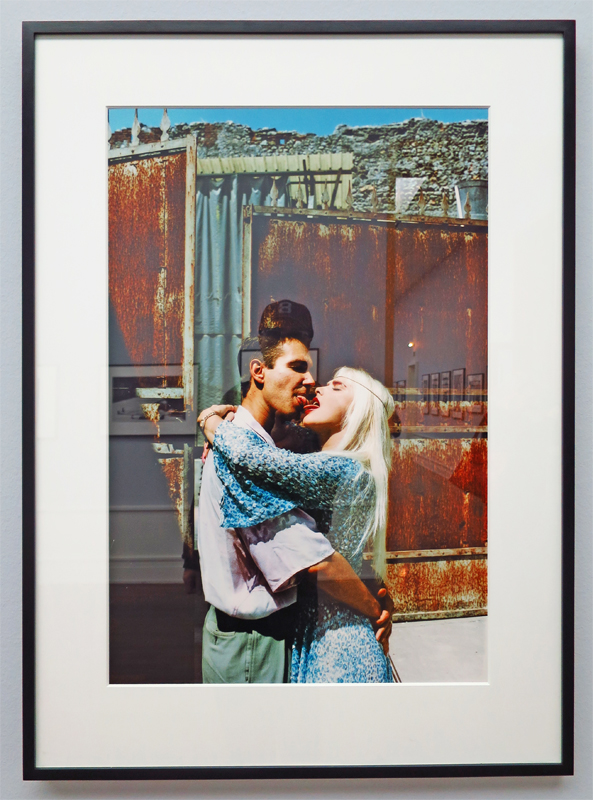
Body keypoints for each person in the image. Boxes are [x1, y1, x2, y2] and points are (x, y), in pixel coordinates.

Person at [196, 300, 390, 683]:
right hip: (253, 641)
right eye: (298, 367)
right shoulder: (243, 452)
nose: (311, 381)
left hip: (296, 634)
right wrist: (373, 607)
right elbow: (313, 559)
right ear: (259, 371)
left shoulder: (265, 445)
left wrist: (215, 422)